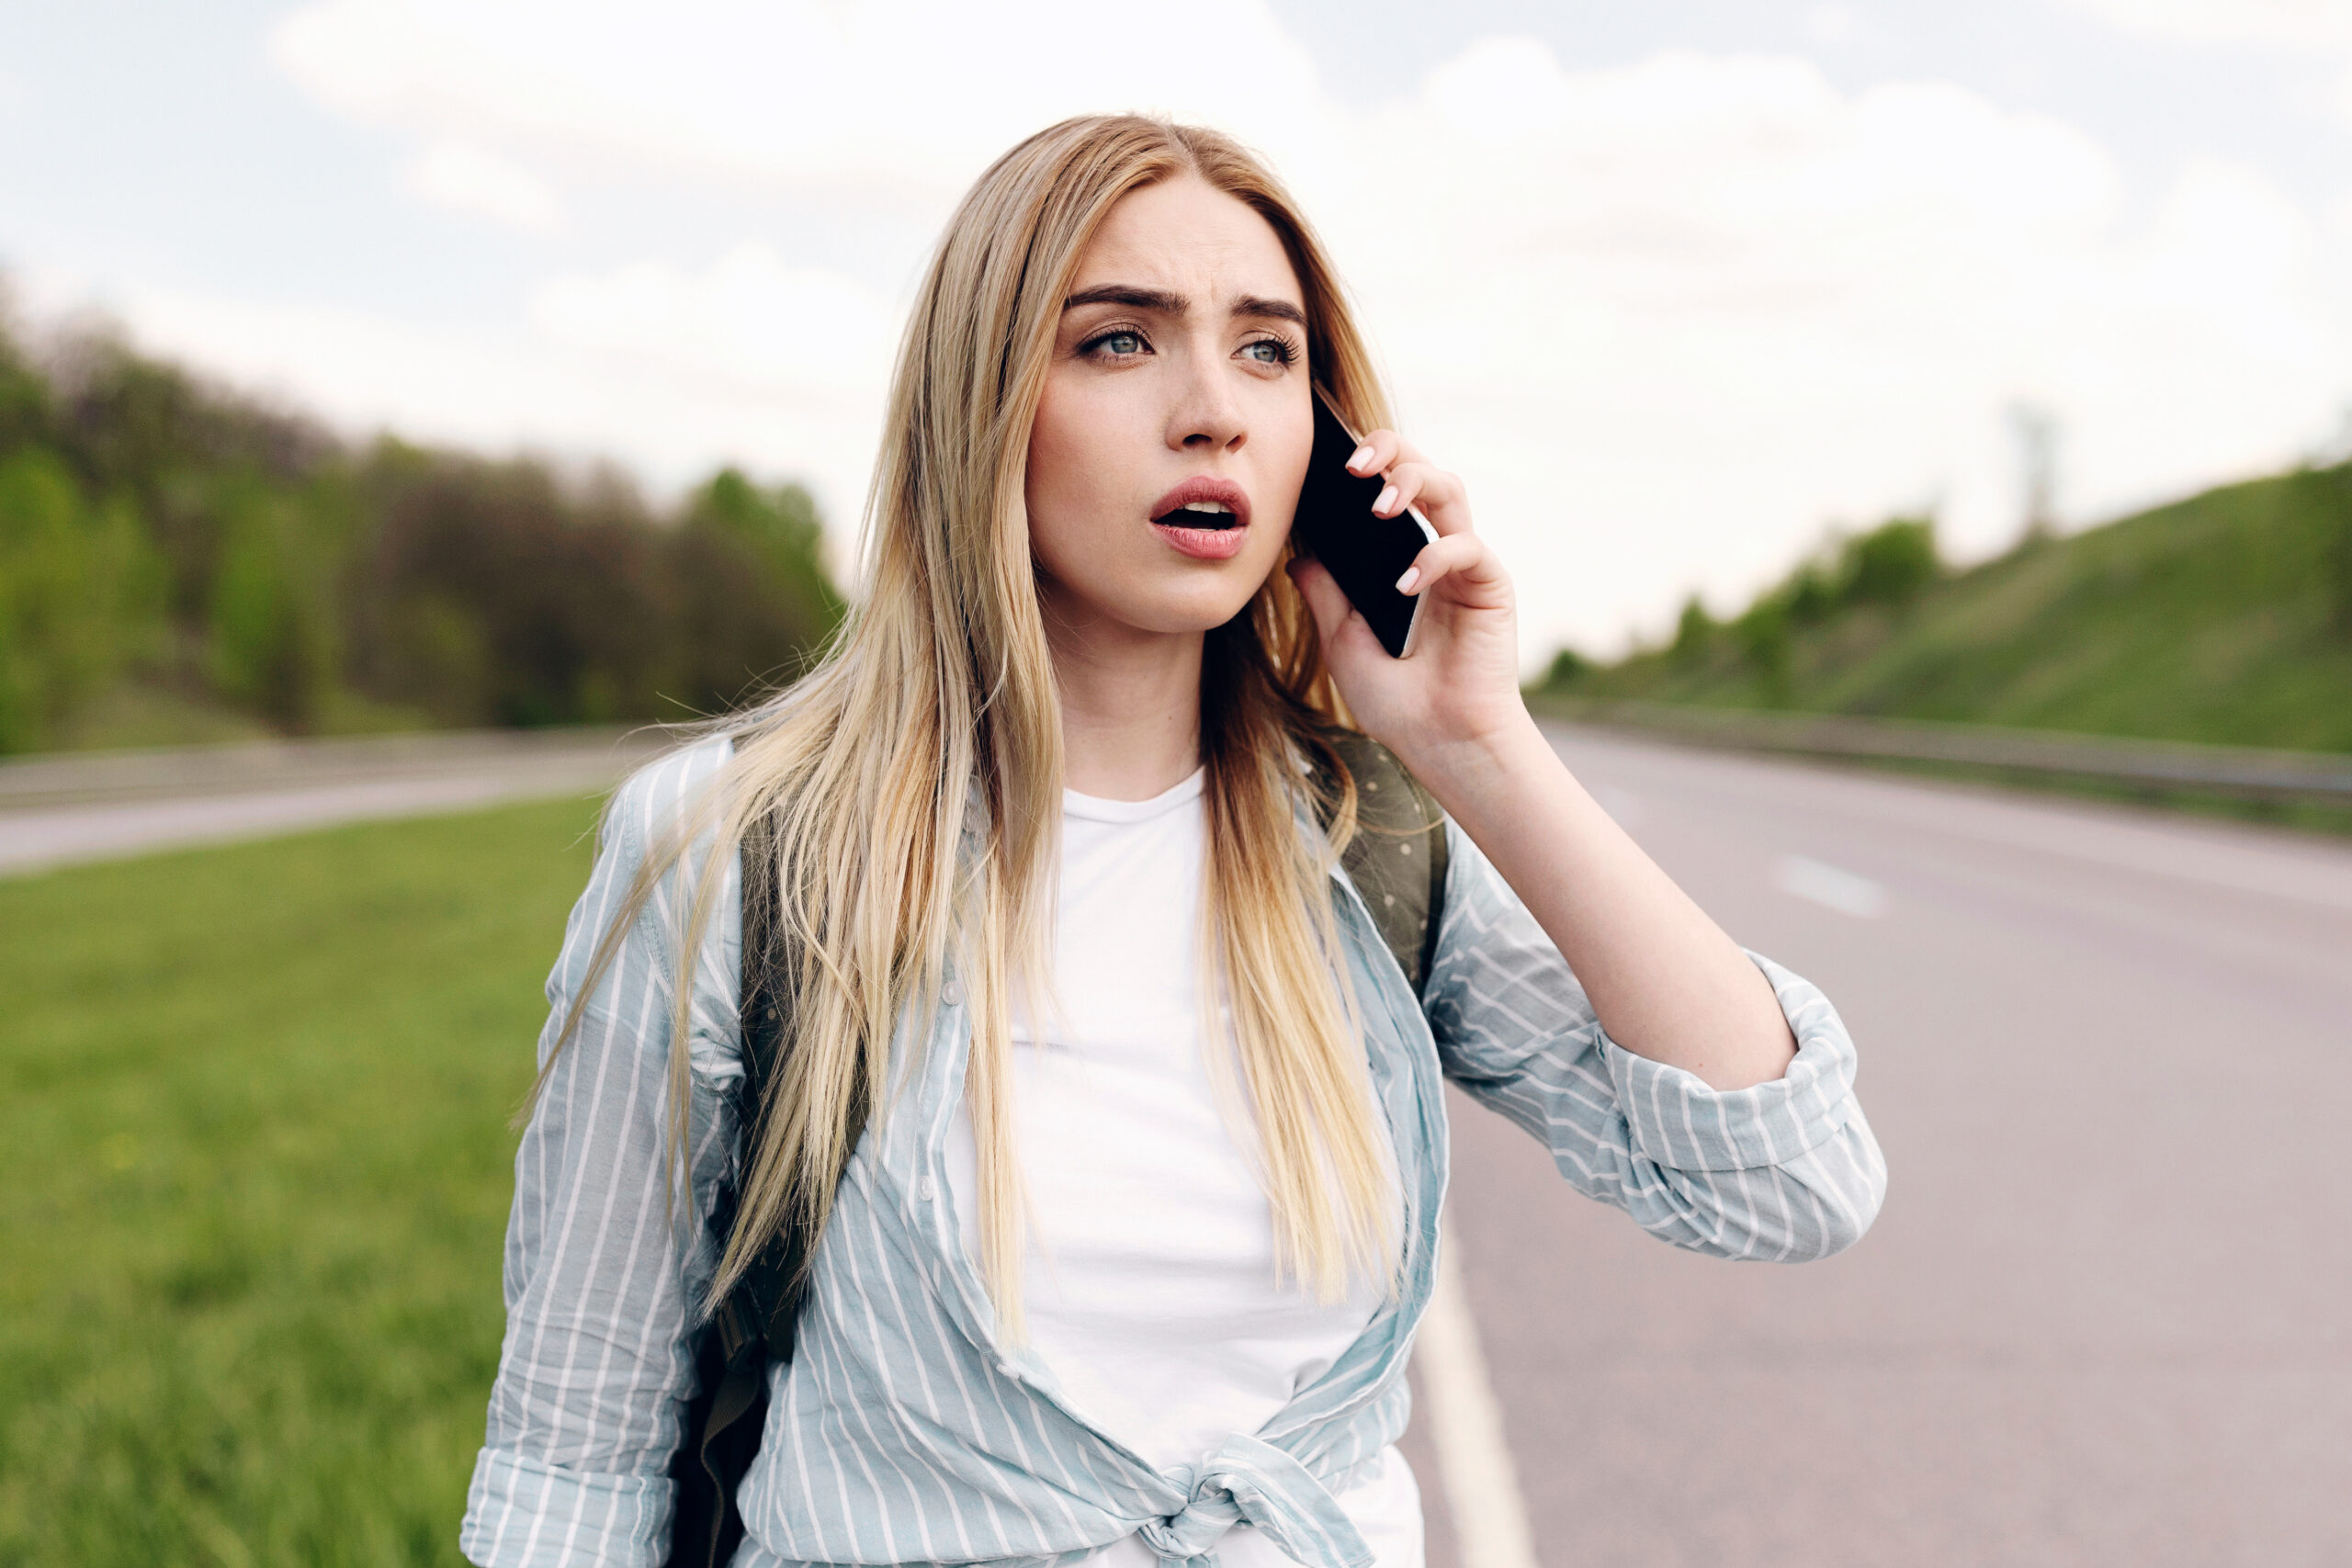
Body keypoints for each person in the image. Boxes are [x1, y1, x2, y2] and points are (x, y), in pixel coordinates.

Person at [458, 114, 1886, 1568]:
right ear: (985, 405)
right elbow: (572, 1454)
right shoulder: (740, 850)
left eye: (1267, 352)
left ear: (1325, 450)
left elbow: (1788, 1181)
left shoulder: (1360, 844)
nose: (1213, 408)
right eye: (1119, 343)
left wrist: (1478, 746)